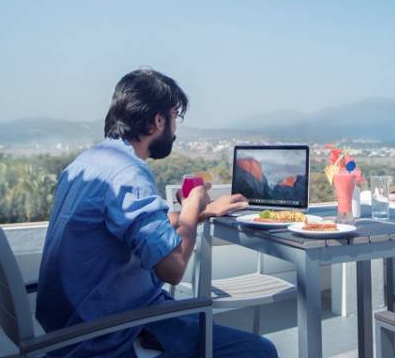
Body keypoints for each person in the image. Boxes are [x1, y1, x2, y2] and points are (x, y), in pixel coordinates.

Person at [36, 68, 278, 358]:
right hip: (106, 332)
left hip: (71, 325)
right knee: (259, 350)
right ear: (158, 120)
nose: (175, 130)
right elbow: (173, 268)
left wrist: (203, 211)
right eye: (175, 118)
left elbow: (132, 229)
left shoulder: (88, 163)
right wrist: (192, 203)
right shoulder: (128, 174)